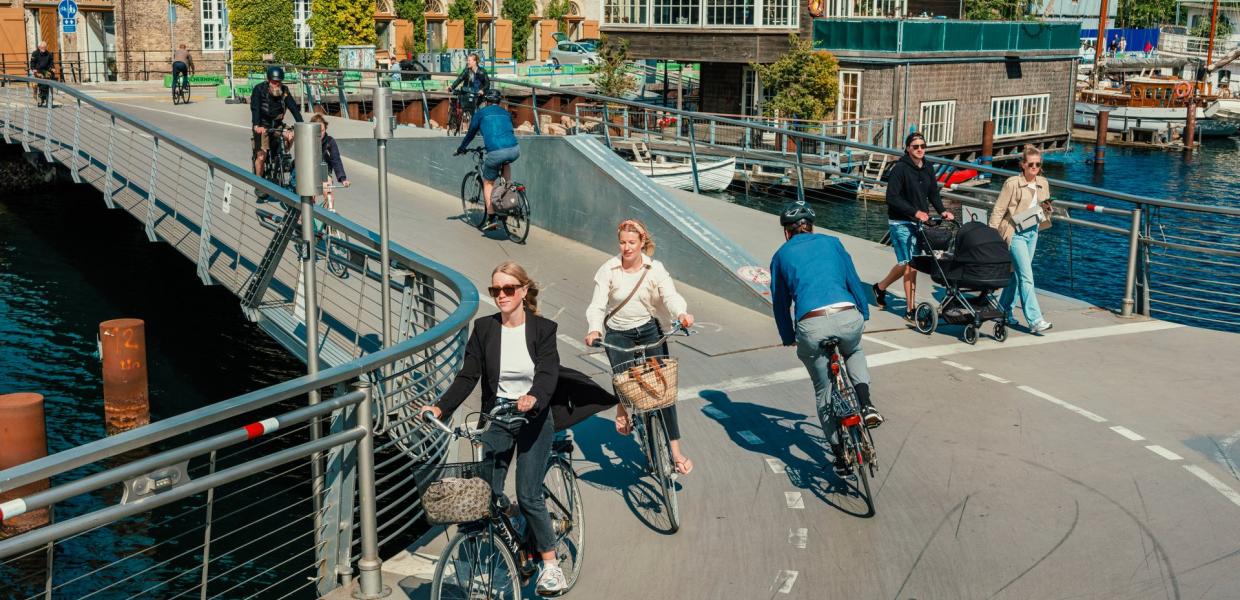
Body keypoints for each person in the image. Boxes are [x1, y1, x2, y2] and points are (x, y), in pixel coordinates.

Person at [419, 261, 567, 595]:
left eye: (508, 289)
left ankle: (551, 565)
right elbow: (467, 376)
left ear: (523, 291)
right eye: (495, 290)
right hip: (498, 417)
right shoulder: (485, 329)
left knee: (529, 493)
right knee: (486, 493)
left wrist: (533, 398)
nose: (501, 295)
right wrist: (440, 407)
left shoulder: (543, 330)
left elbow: (547, 374)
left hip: (533, 418)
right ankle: (515, 524)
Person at [770, 201, 882, 475]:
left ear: (787, 232)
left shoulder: (781, 255)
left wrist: (787, 335)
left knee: (824, 391)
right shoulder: (833, 243)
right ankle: (866, 404)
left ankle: (840, 456)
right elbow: (852, 281)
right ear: (812, 227)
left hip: (812, 324)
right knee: (853, 351)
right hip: (846, 315)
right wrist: (863, 312)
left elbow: (780, 302)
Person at [583, 219, 696, 475]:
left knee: (662, 390)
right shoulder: (609, 270)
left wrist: (682, 313)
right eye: (622, 242)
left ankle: (675, 452)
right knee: (622, 374)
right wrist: (594, 329)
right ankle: (623, 409)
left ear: (642, 242)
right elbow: (598, 304)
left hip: (648, 329)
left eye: (631, 242)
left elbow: (670, 295)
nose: (626, 248)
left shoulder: (654, 268)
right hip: (618, 331)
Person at [872, 132, 954, 320]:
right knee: (911, 265)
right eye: (915, 146)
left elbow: (933, 192)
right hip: (900, 221)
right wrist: (914, 212)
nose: (919, 149)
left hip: (920, 222)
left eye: (922, 146)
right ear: (908, 148)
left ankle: (880, 287)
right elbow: (891, 198)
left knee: (907, 263)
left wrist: (942, 211)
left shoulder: (928, 167)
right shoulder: (899, 169)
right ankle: (910, 310)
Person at [988, 145, 1053, 334]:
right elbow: (999, 209)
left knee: (1017, 275)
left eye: (1038, 164)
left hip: (1033, 231)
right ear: (1023, 165)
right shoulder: (1013, 183)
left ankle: (1003, 310)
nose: (1035, 168)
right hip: (1015, 232)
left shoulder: (1043, 182)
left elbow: (1044, 205)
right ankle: (1035, 320)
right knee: (1027, 276)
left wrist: (1048, 208)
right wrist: (992, 234)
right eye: (1031, 164)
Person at [454, 89, 518, 231]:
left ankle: (491, 217)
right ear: (499, 102)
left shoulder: (480, 114)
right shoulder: (506, 113)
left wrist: (461, 148)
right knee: (506, 162)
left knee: (488, 182)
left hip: (496, 151)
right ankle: (508, 190)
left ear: (486, 102)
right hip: (514, 149)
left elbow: (470, 134)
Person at [250, 66, 304, 186]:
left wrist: (301, 124)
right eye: (274, 82)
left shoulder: (284, 91)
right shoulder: (259, 89)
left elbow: (294, 108)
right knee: (261, 156)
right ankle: (259, 182)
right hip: (263, 125)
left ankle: (281, 154)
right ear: (269, 81)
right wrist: (257, 125)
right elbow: (255, 108)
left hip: (277, 125)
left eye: (279, 82)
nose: (277, 84)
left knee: (290, 135)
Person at [310, 115, 350, 189]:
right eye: (318, 131)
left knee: (328, 190)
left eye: (322, 130)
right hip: (309, 171)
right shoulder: (308, 141)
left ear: (325, 128)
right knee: (310, 195)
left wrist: (343, 179)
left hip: (325, 172)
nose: (321, 133)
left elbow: (336, 160)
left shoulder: (330, 141)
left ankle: (328, 200)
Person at [448, 53, 490, 117]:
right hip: (470, 97)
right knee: (466, 114)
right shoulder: (467, 71)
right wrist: (452, 87)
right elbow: (460, 79)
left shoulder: (482, 72)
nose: (468, 62)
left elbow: (487, 84)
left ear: (475, 61)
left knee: (481, 115)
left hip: (480, 98)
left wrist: (482, 90)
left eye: (469, 60)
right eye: (467, 60)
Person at [29, 42, 54, 107]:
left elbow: (51, 63)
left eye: (45, 47)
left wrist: (52, 68)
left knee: (47, 79)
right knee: (39, 80)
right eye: (42, 48)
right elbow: (32, 63)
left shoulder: (49, 54)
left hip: (46, 70)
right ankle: (40, 96)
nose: (44, 49)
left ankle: (43, 96)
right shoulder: (35, 53)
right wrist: (33, 69)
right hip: (37, 70)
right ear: (39, 47)